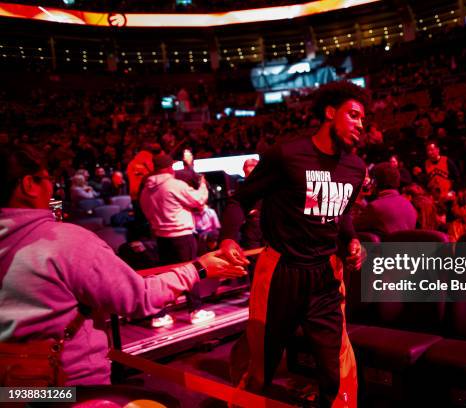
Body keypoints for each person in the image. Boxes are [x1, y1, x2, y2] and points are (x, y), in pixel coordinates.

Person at [0, 146, 245, 385]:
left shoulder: (147, 189)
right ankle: (195, 309)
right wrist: (199, 269)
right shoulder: (66, 242)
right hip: (68, 386)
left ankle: (163, 317)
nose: (53, 187)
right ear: (28, 185)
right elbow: (137, 297)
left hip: (12, 387)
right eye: (46, 179)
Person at [220, 81, 368, 407]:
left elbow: (339, 215)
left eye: (362, 120)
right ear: (330, 112)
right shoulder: (286, 155)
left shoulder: (355, 168)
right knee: (261, 364)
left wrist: (353, 240)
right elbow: (239, 200)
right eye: (354, 115)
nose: (360, 125)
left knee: (336, 366)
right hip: (281, 271)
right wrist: (229, 237)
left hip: (326, 275)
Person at [139, 153, 211, 326]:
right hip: (181, 236)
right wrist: (202, 184)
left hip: (161, 238)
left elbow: (145, 209)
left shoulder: (146, 188)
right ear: (169, 167)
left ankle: (160, 315)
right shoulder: (174, 185)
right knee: (191, 273)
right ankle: (196, 310)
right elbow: (199, 199)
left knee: (166, 276)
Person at [354, 162, 417, 236]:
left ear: (375, 182)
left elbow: (351, 227)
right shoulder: (409, 205)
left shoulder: (375, 207)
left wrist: (357, 199)